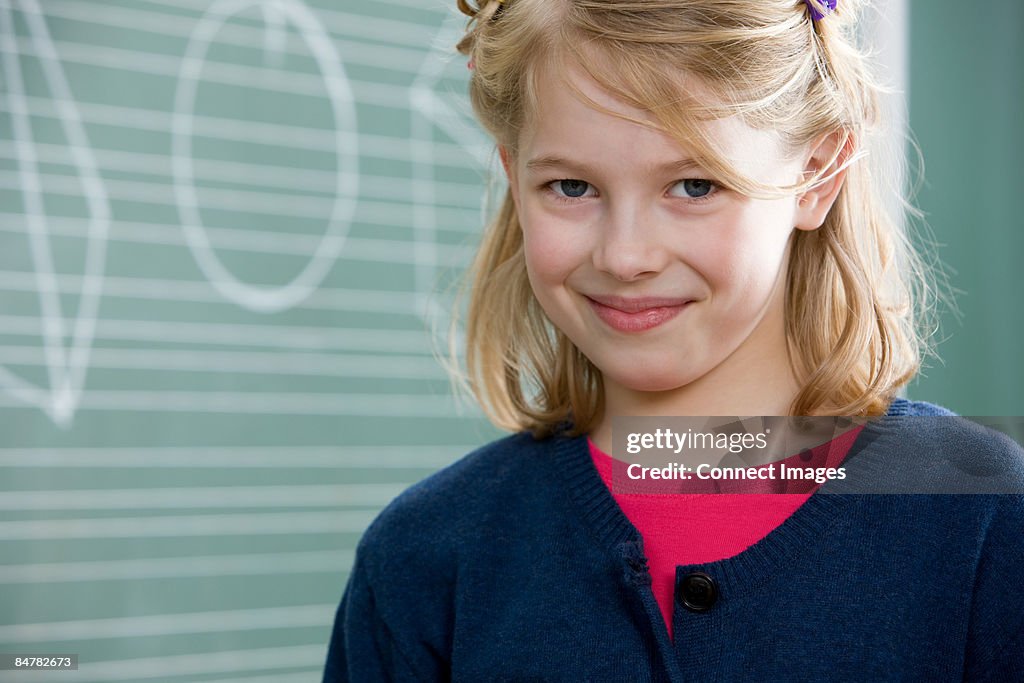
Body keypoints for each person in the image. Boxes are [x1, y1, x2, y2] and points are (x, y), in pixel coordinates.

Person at [322, 0, 1024, 680]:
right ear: (513, 175)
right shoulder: (423, 559)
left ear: (817, 174)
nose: (626, 257)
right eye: (571, 186)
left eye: (693, 186)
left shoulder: (985, 521)